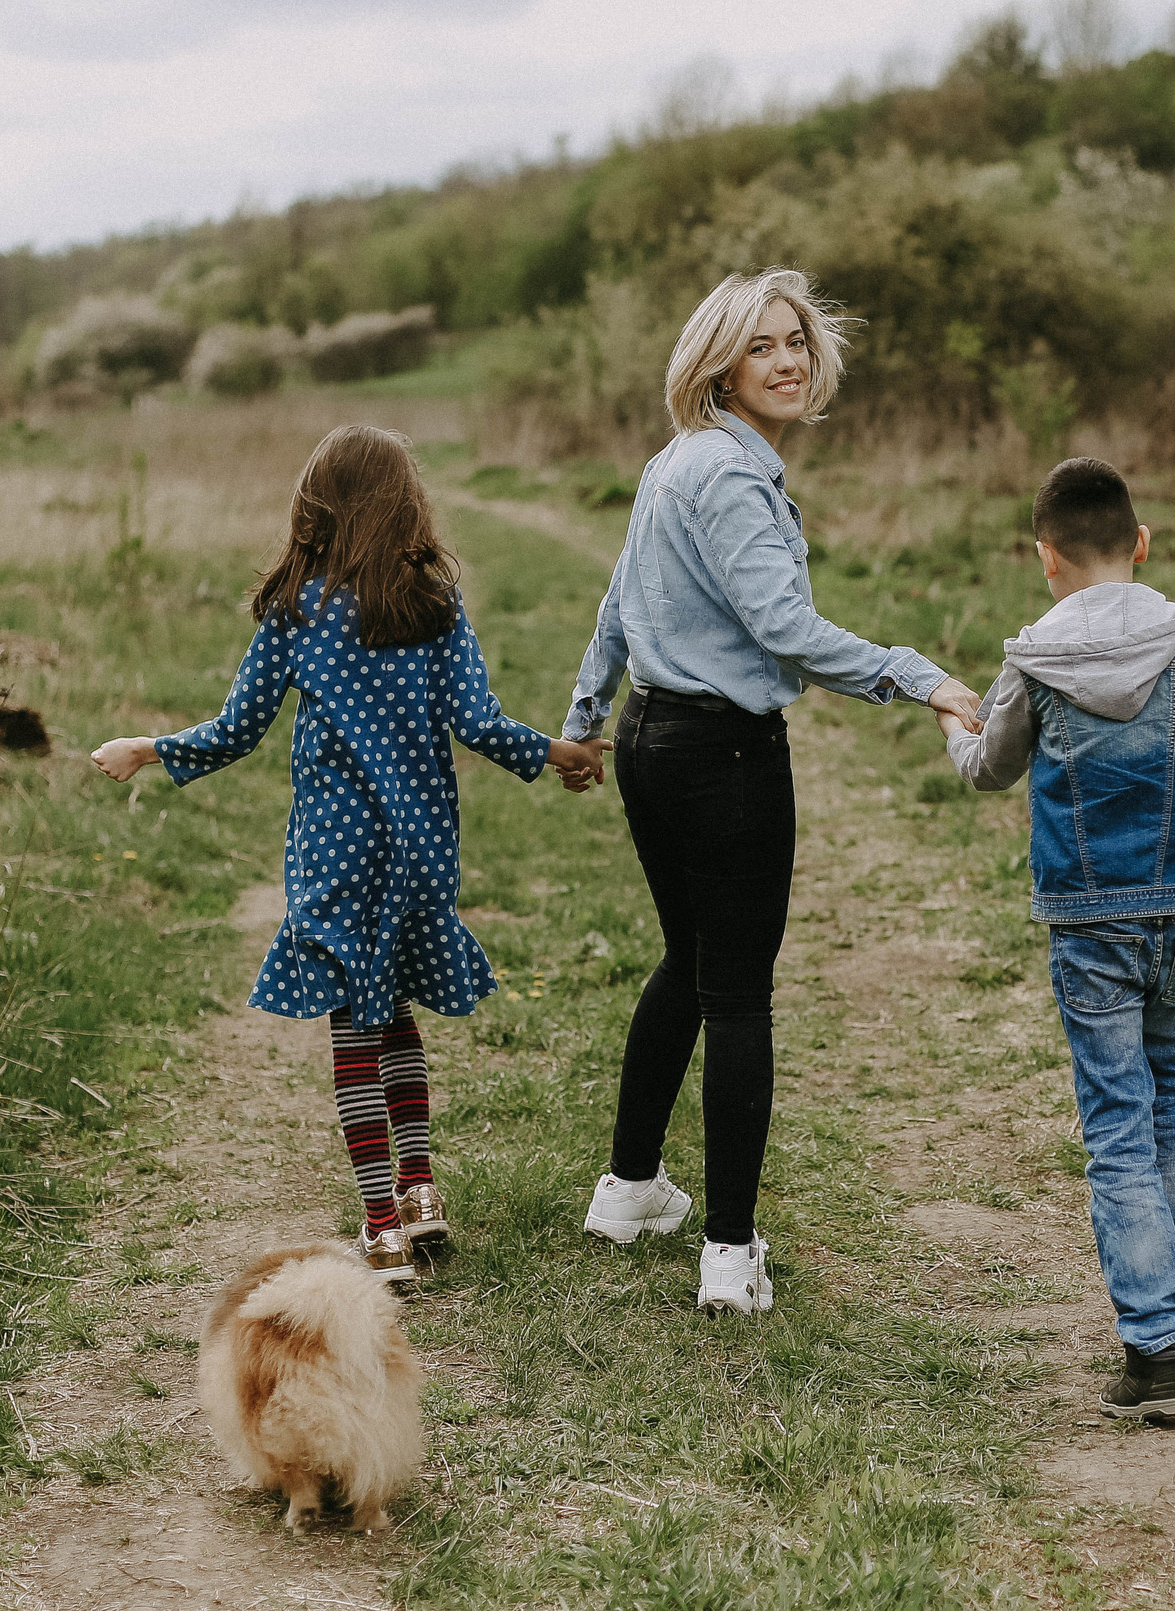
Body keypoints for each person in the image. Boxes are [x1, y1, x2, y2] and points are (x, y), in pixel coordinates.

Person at [563, 269, 988, 1316]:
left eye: (795, 339)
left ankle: (627, 1190)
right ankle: (728, 1256)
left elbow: (619, 605)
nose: (788, 359)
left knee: (689, 957)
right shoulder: (730, 478)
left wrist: (584, 719)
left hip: (652, 740)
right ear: (719, 364)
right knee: (736, 988)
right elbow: (784, 628)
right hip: (723, 759)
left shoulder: (674, 464)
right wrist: (917, 673)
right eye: (761, 346)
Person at [93, 425, 604, 1272]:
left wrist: (148, 748)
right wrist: (561, 754)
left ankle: (380, 1226)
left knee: (354, 1028)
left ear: (317, 510)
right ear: (408, 508)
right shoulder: (433, 608)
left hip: (334, 852)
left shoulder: (298, 617)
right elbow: (477, 722)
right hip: (420, 848)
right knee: (395, 1011)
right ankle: (420, 1187)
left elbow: (238, 730)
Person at [936, 457, 1175, 1417]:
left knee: (1117, 1121)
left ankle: (1157, 1352)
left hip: (1088, 921)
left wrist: (956, 724)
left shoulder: (1034, 657)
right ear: (1143, 543)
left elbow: (990, 770)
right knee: (1170, 1092)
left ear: (1046, 558)